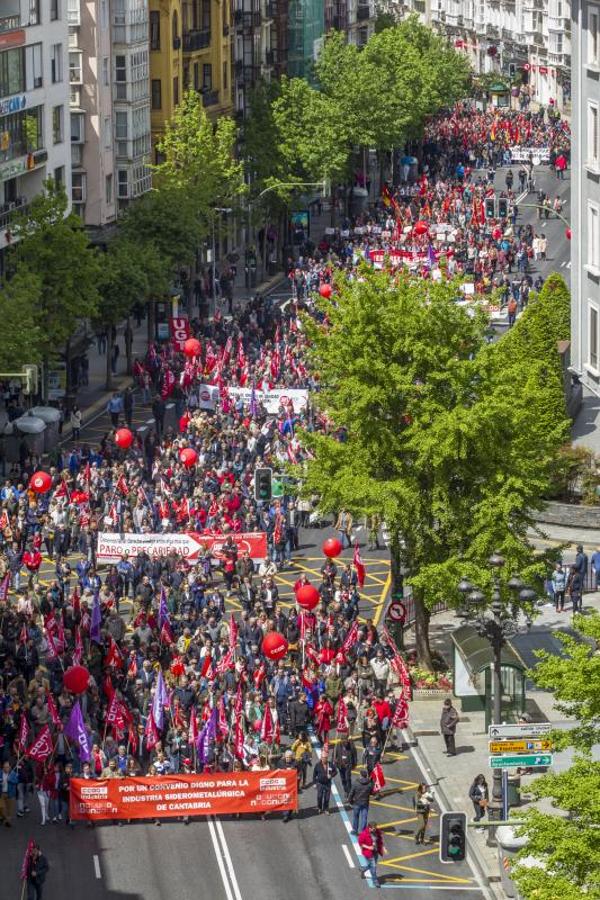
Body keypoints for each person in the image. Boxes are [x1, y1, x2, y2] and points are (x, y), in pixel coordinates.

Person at [358, 821, 386, 887]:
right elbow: (360, 844)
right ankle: (375, 881)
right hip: (368, 853)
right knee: (373, 867)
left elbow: (380, 839)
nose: (375, 830)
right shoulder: (364, 834)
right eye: (373, 828)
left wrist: (383, 847)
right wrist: (369, 847)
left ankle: (363, 869)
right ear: (369, 828)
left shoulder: (376, 831)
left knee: (372, 865)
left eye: (375, 828)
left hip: (375, 851)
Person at [348, 768, 375, 835]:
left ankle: (355, 830)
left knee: (356, 816)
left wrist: (350, 801)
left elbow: (351, 793)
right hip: (365, 803)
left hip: (357, 802)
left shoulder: (356, 783)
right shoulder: (369, 784)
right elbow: (372, 793)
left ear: (360, 775)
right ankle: (363, 831)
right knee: (364, 817)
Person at [313, 750, 337, 815]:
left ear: (327, 758)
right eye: (323, 758)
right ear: (321, 758)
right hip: (320, 783)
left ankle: (326, 809)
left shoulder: (330, 764)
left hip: (328, 784)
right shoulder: (317, 765)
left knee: (327, 798)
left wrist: (331, 775)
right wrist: (314, 783)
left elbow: (335, 772)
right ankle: (320, 808)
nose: (324, 759)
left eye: (325, 758)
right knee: (319, 797)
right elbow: (314, 774)